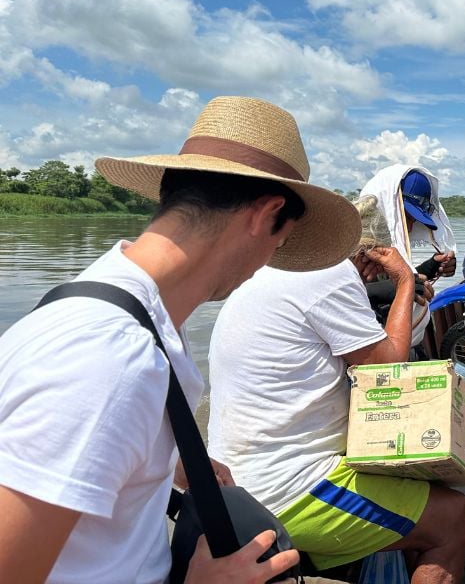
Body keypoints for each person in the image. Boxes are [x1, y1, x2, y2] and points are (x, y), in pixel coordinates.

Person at [0, 96, 360, 583]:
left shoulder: (124, 305)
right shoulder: (107, 357)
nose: (265, 264)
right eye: (280, 243)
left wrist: (167, 456)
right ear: (266, 213)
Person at [208, 232, 465, 583]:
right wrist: (406, 279)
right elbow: (388, 369)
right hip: (286, 489)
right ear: (373, 256)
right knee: (454, 516)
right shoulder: (328, 275)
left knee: (412, 485)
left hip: (236, 483)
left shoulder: (270, 270)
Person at [358, 165, 457, 349]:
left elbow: (394, 279)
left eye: (414, 221)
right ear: (388, 206)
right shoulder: (353, 244)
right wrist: (402, 285)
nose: (410, 228)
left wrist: (431, 267)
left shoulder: (386, 248)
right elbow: (340, 293)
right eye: (407, 218)